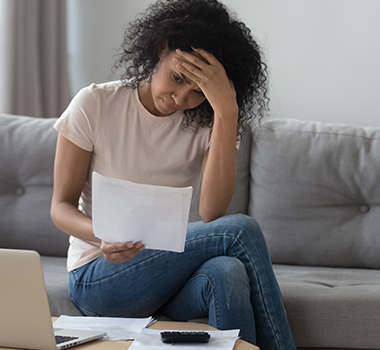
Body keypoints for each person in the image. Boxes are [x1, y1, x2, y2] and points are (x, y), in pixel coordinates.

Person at [51, 0, 296, 349]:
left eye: (199, 91)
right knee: (242, 230)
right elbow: (59, 207)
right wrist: (102, 235)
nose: (180, 97)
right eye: (178, 78)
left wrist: (226, 111)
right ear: (160, 48)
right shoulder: (95, 104)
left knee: (228, 271)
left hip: (167, 276)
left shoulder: (213, 121)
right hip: (99, 274)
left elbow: (212, 210)